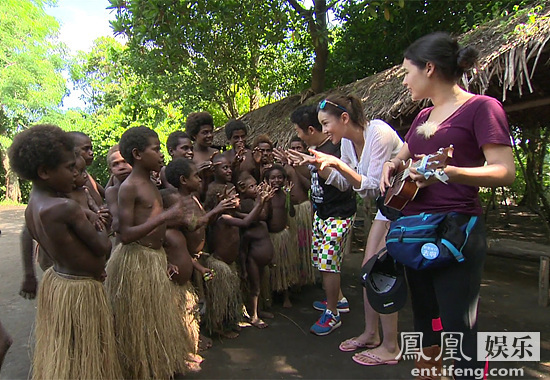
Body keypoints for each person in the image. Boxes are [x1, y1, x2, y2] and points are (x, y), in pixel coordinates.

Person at [380, 32, 515, 378]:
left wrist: (450, 172)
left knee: (458, 323)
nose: (405, 80)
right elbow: (404, 151)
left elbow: (504, 171)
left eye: (407, 72)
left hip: (456, 231)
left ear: (429, 68)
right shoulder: (423, 115)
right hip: (414, 231)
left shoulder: (482, 108)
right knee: (426, 320)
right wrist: (391, 165)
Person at [8, 124, 121, 379]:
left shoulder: (33, 207)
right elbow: (103, 246)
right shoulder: (64, 208)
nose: (75, 173)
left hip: (59, 283)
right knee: (87, 351)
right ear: (45, 171)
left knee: (70, 349)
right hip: (80, 289)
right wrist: (99, 221)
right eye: (70, 168)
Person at [308, 94, 403, 366]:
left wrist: (337, 163)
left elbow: (370, 186)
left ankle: (391, 346)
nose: (325, 131)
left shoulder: (378, 134)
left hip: (409, 204)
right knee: (368, 269)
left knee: (383, 274)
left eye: (326, 124)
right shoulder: (348, 142)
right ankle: (371, 335)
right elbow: (345, 182)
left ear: (345, 118)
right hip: (389, 205)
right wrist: (322, 168)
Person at [106, 126, 188, 379]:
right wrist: (165, 215)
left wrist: (162, 259)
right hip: (136, 260)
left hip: (152, 259)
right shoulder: (130, 187)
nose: (162, 155)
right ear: (137, 154)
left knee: (155, 322)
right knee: (140, 326)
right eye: (156, 149)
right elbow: (125, 235)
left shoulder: (149, 183)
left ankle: (156, 367)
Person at [289, 105, 357, 336]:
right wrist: (306, 163)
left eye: (298, 131)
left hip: (338, 214)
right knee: (321, 260)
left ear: (309, 129)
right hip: (322, 213)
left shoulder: (335, 148)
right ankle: (338, 301)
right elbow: (315, 179)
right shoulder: (316, 149)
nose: (297, 135)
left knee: (329, 263)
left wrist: (318, 163)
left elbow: (344, 183)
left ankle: (332, 313)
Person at [164, 157, 242, 339]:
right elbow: (192, 224)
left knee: (205, 297)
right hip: (186, 258)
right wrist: (217, 210)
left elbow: (204, 221)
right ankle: (195, 337)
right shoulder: (178, 201)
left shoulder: (193, 198)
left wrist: (218, 209)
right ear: (184, 180)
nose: (200, 179)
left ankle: (211, 329)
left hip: (199, 257)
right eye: (196, 176)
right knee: (191, 302)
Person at [161, 188, 202, 363]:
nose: (184, 212)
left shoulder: (179, 231)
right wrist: (165, 265)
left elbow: (186, 255)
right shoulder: (163, 234)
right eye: (179, 209)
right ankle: (177, 357)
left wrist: (200, 267)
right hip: (171, 290)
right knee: (173, 324)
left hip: (183, 288)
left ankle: (185, 350)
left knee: (186, 320)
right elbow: (157, 255)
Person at [236, 173, 275, 328]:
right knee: (255, 289)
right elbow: (243, 252)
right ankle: (254, 316)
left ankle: (259, 310)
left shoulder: (263, 226)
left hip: (263, 262)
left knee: (261, 286)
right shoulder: (248, 233)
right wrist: (244, 270)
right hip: (253, 262)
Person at [263, 165, 298, 308]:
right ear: (266, 180)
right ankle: (269, 295)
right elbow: (264, 216)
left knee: (285, 267)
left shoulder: (285, 195)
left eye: (280, 177)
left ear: (284, 179)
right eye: (273, 178)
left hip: (283, 237)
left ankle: (286, 296)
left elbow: (291, 214)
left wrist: (288, 197)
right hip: (269, 237)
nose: (276, 180)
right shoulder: (264, 196)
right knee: (271, 267)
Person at [186, 112, 219, 199]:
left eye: (211, 132)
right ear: (194, 135)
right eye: (205, 132)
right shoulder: (189, 156)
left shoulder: (216, 152)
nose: (209, 135)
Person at [104, 144, 132, 239]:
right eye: (115, 164)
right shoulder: (112, 192)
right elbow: (117, 225)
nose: (121, 167)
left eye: (125, 162)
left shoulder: (148, 184)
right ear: (110, 170)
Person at [68, 131, 104, 205]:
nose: (91, 153)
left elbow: (105, 194)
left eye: (91, 148)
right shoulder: (73, 179)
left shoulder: (85, 175)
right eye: (86, 149)